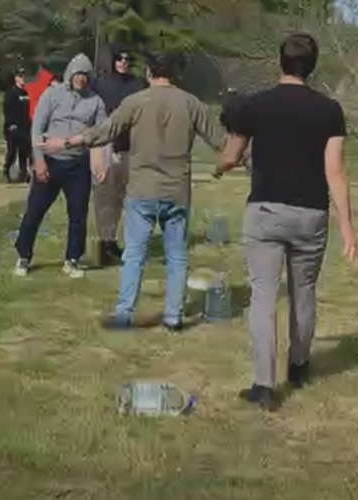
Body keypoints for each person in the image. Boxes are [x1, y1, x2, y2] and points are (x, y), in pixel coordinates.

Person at [215, 32, 358, 411]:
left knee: (263, 295)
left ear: (280, 62)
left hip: (266, 212)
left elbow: (231, 155)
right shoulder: (329, 110)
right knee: (304, 291)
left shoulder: (255, 105)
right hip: (311, 214)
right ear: (312, 66)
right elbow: (335, 172)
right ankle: (298, 366)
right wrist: (347, 226)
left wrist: (220, 166)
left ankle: (264, 386)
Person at [42, 51, 225, 330]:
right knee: (176, 257)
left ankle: (124, 314)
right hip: (176, 191)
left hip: (143, 191)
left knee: (135, 255)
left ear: (149, 73)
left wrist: (66, 143)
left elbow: (104, 131)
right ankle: (173, 317)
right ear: (175, 74)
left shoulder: (136, 102)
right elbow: (221, 142)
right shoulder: (192, 104)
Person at [14, 53, 107, 279]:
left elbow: (101, 134)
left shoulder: (96, 101)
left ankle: (72, 259)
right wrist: (39, 161)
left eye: (85, 75)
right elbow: (37, 128)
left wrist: (101, 164)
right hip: (50, 161)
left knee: (78, 214)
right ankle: (24, 256)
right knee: (35, 211)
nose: (81, 79)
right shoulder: (52, 94)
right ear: (70, 74)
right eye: (78, 74)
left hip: (78, 164)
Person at [92, 48, 147, 266]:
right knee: (106, 198)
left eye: (127, 58)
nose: (123, 62)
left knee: (130, 199)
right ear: (113, 61)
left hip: (132, 148)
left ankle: (127, 242)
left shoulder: (138, 85)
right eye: (119, 58)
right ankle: (106, 241)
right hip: (106, 147)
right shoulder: (101, 83)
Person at [2, 67, 31, 183]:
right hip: (13, 127)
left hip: (25, 127)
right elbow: (7, 109)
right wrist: (10, 124)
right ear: (16, 78)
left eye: (24, 76)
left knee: (24, 152)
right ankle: (6, 171)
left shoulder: (27, 92)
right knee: (12, 153)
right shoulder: (11, 93)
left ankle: (23, 174)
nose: (23, 79)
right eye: (20, 76)